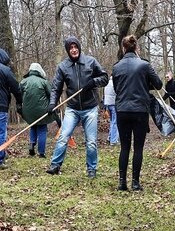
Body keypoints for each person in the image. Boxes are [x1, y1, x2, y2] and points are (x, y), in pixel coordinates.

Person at [46, 35, 108, 178]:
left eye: (75, 47)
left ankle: (91, 168)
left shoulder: (90, 62)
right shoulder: (62, 67)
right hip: (72, 108)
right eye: (70, 48)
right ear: (68, 50)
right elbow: (56, 88)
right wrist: (52, 104)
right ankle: (55, 165)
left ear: (79, 47)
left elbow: (105, 77)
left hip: (90, 107)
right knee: (63, 137)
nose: (73, 50)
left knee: (91, 141)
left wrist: (93, 82)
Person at [111, 35, 163, 191]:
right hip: (140, 111)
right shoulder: (144, 65)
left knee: (125, 147)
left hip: (122, 111)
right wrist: (144, 82)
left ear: (123, 48)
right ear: (136, 48)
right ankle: (135, 182)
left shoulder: (116, 67)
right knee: (138, 147)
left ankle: (122, 182)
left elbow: (116, 89)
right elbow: (159, 85)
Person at [19, 62, 54, 158]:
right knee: (42, 129)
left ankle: (31, 144)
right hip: (42, 110)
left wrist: (20, 107)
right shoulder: (44, 82)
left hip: (28, 110)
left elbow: (19, 95)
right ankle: (41, 153)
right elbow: (51, 94)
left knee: (33, 126)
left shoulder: (23, 82)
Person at [103, 76, 119, 145]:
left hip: (108, 104)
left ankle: (109, 138)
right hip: (114, 104)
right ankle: (114, 140)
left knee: (112, 122)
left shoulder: (107, 83)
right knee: (115, 122)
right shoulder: (115, 83)